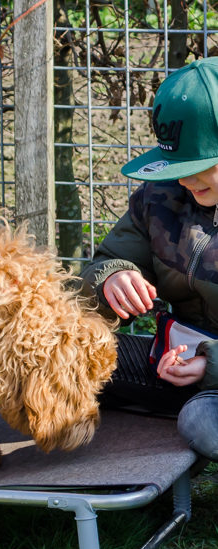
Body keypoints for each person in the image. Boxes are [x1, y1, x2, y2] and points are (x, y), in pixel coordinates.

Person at [80, 57, 218, 461]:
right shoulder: (157, 200)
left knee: (200, 420)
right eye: (177, 165)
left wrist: (210, 366)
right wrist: (110, 279)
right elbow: (94, 271)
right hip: (176, 366)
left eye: (199, 165)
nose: (184, 180)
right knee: (70, 358)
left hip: (205, 379)